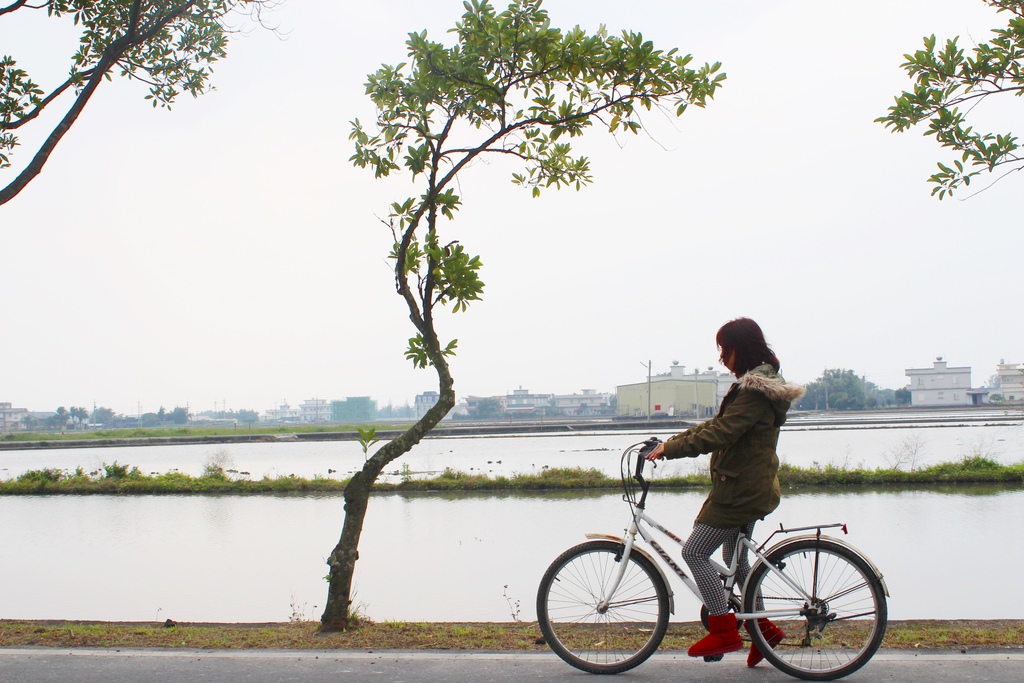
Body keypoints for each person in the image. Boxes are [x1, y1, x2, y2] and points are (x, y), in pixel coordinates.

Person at [645, 317, 804, 666]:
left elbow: (721, 433)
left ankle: (724, 630)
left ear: (740, 349)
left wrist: (671, 450)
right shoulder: (757, 388)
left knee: (695, 553)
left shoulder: (754, 391)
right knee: (738, 561)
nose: (722, 358)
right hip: (747, 484)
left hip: (740, 491)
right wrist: (672, 442)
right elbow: (717, 426)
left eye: (724, 349)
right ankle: (764, 632)